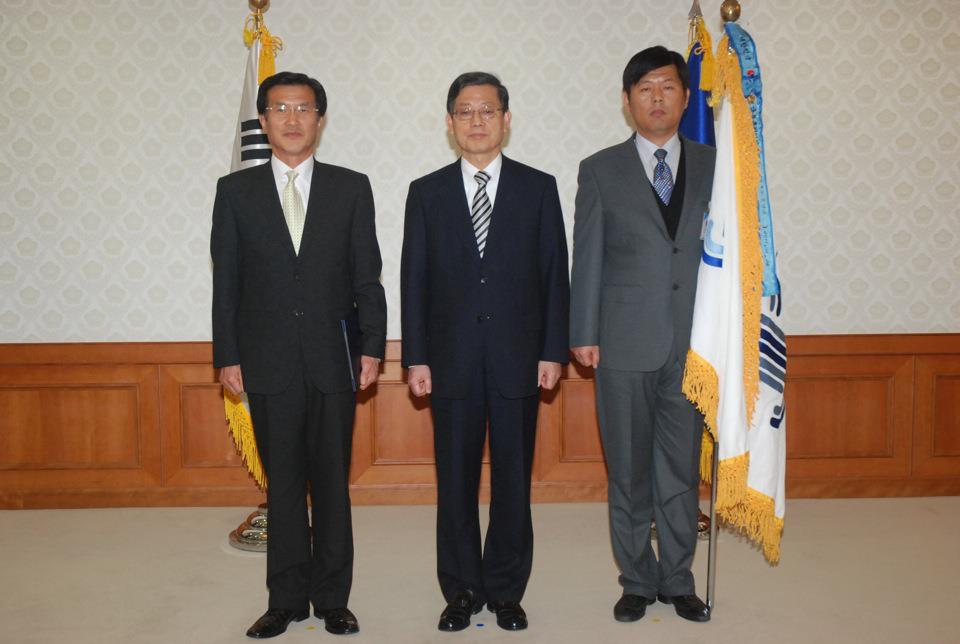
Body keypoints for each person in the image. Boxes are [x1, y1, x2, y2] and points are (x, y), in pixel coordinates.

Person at [211, 71, 386, 639]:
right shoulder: (235, 191)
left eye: (304, 108)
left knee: (332, 484)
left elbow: (368, 277)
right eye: (281, 109)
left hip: (335, 359)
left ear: (320, 119)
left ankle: (333, 598)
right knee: (283, 487)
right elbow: (227, 283)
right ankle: (284, 600)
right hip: (267, 361)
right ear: (263, 120)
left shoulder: (350, 187)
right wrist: (228, 354)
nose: (292, 119)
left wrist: (373, 347)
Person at [400, 72, 569, 632]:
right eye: (465, 112)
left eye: (488, 111)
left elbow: (555, 274)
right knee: (455, 483)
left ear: (506, 120)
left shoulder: (538, 187)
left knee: (513, 483)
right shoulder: (426, 193)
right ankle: (461, 590)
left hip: (519, 358)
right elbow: (414, 279)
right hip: (449, 362)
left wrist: (553, 351)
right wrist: (416, 356)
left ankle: (506, 591)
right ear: (449, 123)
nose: (477, 121)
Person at [569, 46, 716, 624]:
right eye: (645, 88)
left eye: (668, 86)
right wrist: (583, 332)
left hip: (694, 343)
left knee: (679, 470)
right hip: (622, 342)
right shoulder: (600, 169)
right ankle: (636, 579)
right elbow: (588, 256)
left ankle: (678, 579)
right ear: (627, 101)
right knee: (628, 470)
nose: (657, 97)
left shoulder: (714, 165)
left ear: (686, 96)